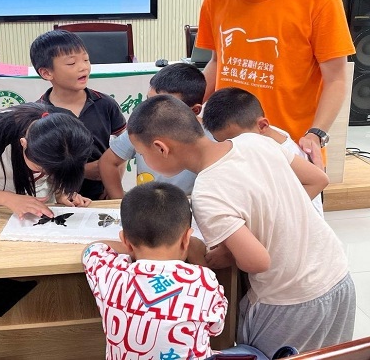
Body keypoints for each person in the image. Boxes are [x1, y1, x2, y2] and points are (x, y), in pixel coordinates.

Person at [127, 95, 355, 358]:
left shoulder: (207, 193)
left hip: (290, 300)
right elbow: (317, 178)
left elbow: (257, 261)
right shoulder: (255, 141)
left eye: (142, 154)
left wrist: (229, 252)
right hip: (338, 276)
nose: (143, 159)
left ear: (161, 148)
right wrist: (279, 216)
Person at [192, 0, 355, 162]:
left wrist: (316, 134)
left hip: (289, 150)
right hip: (228, 148)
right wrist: (188, 110)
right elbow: (217, 62)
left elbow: (336, 79)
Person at [82, 182, 230, 360]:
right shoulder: (204, 280)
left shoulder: (111, 274)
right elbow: (216, 328)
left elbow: (93, 249)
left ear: (125, 240)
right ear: (186, 239)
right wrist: (199, 259)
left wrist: (132, 247)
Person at [0, 102, 93, 218]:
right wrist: (9, 199)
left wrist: (62, 192)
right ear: (24, 143)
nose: (48, 174)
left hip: (42, 209)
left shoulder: (72, 131)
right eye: (42, 168)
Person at [32, 30, 127, 200]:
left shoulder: (105, 104)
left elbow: (124, 145)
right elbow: (39, 164)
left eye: (86, 59)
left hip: (103, 195)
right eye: (71, 63)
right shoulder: (39, 114)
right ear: (46, 73)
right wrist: (81, 170)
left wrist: (113, 182)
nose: (83, 67)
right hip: (59, 199)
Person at [202, 87, 324, 217]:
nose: (230, 148)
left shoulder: (285, 158)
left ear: (262, 126)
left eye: (236, 141)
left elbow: (298, 214)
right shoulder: (262, 134)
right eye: (221, 142)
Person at [99, 62, 206, 198]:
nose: (151, 111)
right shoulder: (141, 129)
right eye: (148, 101)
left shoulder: (209, 138)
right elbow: (108, 162)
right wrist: (118, 200)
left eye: (164, 105)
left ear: (194, 110)